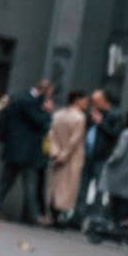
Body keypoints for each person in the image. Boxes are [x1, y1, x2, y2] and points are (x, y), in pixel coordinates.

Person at [0, 79, 54, 224]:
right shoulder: (29, 102)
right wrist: (48, 113)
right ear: (44, 91)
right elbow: (41, 122)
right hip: (26, 151)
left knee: (6, 181)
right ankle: (33, 215)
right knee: (29, 182)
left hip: (15, 148)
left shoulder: (20, 97)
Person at [48, 90, 89, 225]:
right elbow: (74, 141)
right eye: (84, 100)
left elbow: (51, 134)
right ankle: (59, 217)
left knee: (55, 186)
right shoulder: (80, 118)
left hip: (56, 154)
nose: (86, 103)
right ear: (77, 100)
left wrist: (55, 152)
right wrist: (64, 155)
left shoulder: (58, 114)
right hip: (72, 158)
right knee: (67, 189)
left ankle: (52, 213)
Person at [79, 89, 121, 215]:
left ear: (104, 101)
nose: (93, 103)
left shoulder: (113, 115)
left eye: (96, 101)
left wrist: (101, 123)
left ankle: (95, 216)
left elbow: (115, 134)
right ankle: (78, 215)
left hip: (102, 157)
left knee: (99, 189)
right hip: (88, 155)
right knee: (82, 188)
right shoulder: (91, 113)